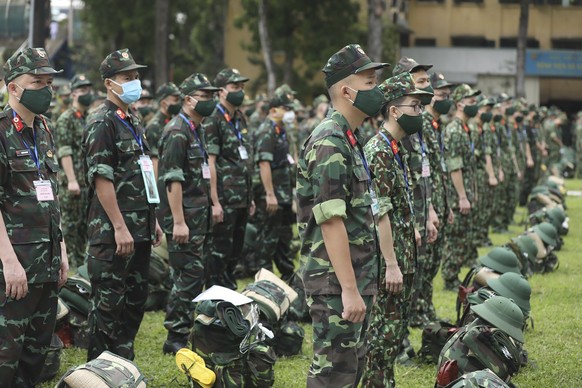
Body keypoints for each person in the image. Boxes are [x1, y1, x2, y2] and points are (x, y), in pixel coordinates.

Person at [296, 43, 387, 387]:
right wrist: (349, 289)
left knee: (350, 369)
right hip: (335, 282)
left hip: (353, 277)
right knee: (333, 373)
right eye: (368, 82)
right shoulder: (330, 142)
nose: (376, 89)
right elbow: (331, 221)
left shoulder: (349, 138)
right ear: (347, 91)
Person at [84, 48, 163, 361]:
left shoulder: (133, 118)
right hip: (113, 231)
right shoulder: (102, 123)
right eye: (127, 78)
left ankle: (121, 362)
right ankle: (98, 369)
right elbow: (102, 179)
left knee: (135, 298)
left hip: (140, 225)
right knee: (108, 302)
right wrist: (119, 226)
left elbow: (143, 171)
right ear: (108, 83)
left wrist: (152, 218)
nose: (135, 82)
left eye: (136, 76)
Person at [0, 47, 69, 387]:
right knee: (5, 356)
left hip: (46, 261)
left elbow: (51, 196)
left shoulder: (43, 129)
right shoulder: (1, 132)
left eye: (48, 82)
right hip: (14, 266)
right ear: (13, 87)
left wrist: (63, 251)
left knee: (35, 356)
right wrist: (9, 263)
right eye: (36, 82)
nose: (46, 89)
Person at [363, 72, 432, 387]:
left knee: (394, 331)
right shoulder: (378, 150)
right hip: (389, 259)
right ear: (394, 110)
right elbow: (380, 214)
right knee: (383, 333)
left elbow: (396, 200)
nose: (420, 113)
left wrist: (413, 231)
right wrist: (390, 264)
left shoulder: (396, 147)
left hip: (404, 248)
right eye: (415, 106)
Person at [157, 73, 217, 354]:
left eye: (212, 96)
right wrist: (178, 221)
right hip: (184, 220)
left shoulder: (197, 129)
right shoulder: (176, 132)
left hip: (198, 218)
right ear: (188, 99)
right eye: (205, 97)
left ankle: (187, 330)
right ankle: (176, 337)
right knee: (187, 276)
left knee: (193, 275)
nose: (211, 101)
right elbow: (173, 180)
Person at [391, 56, 439, 328]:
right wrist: (412, 223)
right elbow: (401, 183)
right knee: (402, 282)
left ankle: (415, 317)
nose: (427, 86)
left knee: (418, 275)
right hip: (403, 221)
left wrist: (429, 212)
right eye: (420, 81)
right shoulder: (400, 127)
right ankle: (402, 336)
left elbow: (422, 176)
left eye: (427, 80)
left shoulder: (417, 124)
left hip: (420, 213)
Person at [204, 68, 254, 290]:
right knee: (220, 249)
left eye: (242, 87)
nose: (240, 91)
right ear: (222, 91)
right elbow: (210, 162)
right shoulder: (213, 119)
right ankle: (217, 291)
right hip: (224, 197)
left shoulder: (240, 117)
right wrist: (214, 201)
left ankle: (228, 286)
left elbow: (243, 159)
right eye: (235, 87)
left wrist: (250, 196)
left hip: (242, 195)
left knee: (236, 248)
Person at [251, 91, 296, 280]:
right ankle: (264, 279)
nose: (289, 113)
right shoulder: (266, 131)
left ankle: (288, 276)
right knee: (268, 239)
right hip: (271, 195)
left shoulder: (281, 130)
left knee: (283, 237)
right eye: (286, 109)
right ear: (273, 110)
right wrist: (269, 193)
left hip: (282, 193)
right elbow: (263, 164)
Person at [422, 71, 456, 321]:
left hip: (439, 200)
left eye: (448, 95)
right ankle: (419, 309)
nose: (446, 100)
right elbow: (423, 170)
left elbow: (439, 167)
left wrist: (447, 204)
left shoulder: (438, 126)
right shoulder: (421, 123)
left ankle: (425, 306)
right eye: (442, 95)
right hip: (427, 201)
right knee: (424, 262)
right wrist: (430, 206)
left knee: (433, 261)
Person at [441, 84, 481, 290]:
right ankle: (449, 277)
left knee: (463, 237)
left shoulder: (465, 129)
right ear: (459, 104)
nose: (475, 105)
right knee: (455, 238)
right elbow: (454, 168)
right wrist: (462, 197)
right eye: (471, 101)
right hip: (458, 196)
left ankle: (454, 274)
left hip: (465, 193)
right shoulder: (455, 130)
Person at [55, 74, 93, 269]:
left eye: (89, 89)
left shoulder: (88, 118)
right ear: (74, 94)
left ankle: (81, 266)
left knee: (84, 229)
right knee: (70, 227)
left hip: (86, 183)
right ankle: (69, 265)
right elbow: (64, 151)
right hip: (72, 184)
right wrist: (71, 180)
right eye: (83, 90)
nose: (88, 93)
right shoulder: (66, 119)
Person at [146, 82, 182, 178]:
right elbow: (154, 160)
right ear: (163, 103)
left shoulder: (174, 121)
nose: (178, 103)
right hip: (162, 179)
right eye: (175, 100)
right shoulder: (154, 126)